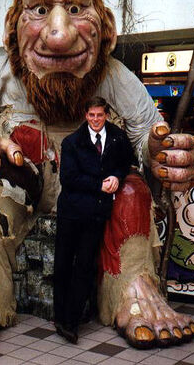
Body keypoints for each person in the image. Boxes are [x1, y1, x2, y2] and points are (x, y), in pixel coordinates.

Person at [0, 0, 194, 351]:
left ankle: (132, 288)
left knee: (131, 191)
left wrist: (159, 151)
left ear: (106, 29)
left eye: (77, 10)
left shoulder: (115, 77)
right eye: (40, 10)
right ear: (12, 29)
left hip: (90, 196)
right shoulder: (0, 79)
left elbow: (146, 136)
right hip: (21, 192)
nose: (60, 35)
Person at [54, 96, 134, 343]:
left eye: (100, 115)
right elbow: (68, 178)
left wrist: (118, 177)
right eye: (91, 116)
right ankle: (60, 316)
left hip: (96, 215)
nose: (96, 120)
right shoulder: (71, 142)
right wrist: (100, 185)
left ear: (106, 115)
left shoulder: (118, 138)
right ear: (85, 116)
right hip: (71, 212)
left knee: (86, 265)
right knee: (64, 264)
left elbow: (125, 162)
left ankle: (72, 321)